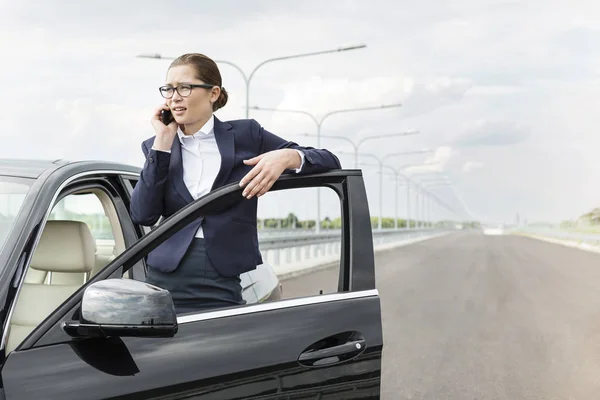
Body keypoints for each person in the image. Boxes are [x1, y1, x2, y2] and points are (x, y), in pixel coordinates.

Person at [130, 53, 341, 314]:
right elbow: (142, 213)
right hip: (164, 280)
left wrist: (287, 157)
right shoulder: (157, 147)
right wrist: (162, 141)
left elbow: (329, 160)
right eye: (168, 89)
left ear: (213, 93)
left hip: (223, 280)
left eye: (184, 87)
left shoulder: (246, 135)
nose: (174, 96)